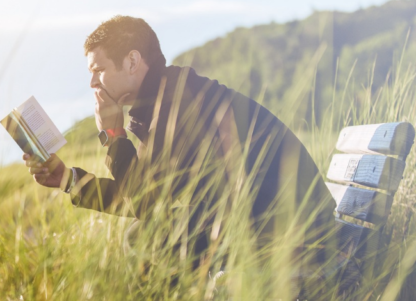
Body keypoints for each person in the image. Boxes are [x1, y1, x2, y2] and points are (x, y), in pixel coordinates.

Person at [22, 15, 338, 282]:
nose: (92, 83)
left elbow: (144, 202)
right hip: (268, 222)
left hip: (298, 234)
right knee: (147, 232)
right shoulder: (164, 99)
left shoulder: (178, 103)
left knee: (144, 237)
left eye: (98, 69)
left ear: (132, 61)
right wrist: (67, 179)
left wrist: (115, 136)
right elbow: (144, 196)